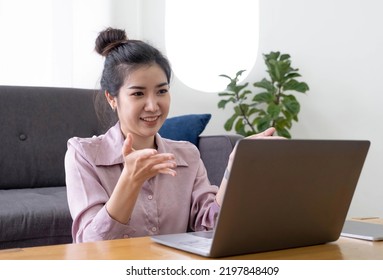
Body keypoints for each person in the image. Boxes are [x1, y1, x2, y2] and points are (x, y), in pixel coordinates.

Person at [65, 27, 280, 243]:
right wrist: (130, 180)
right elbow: (89, 246)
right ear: (112, 98)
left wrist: (234, 169)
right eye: (138, 93)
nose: (152, 105)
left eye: (161, 91)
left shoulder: (187, 154)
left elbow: (210, 226)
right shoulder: (83, 154)